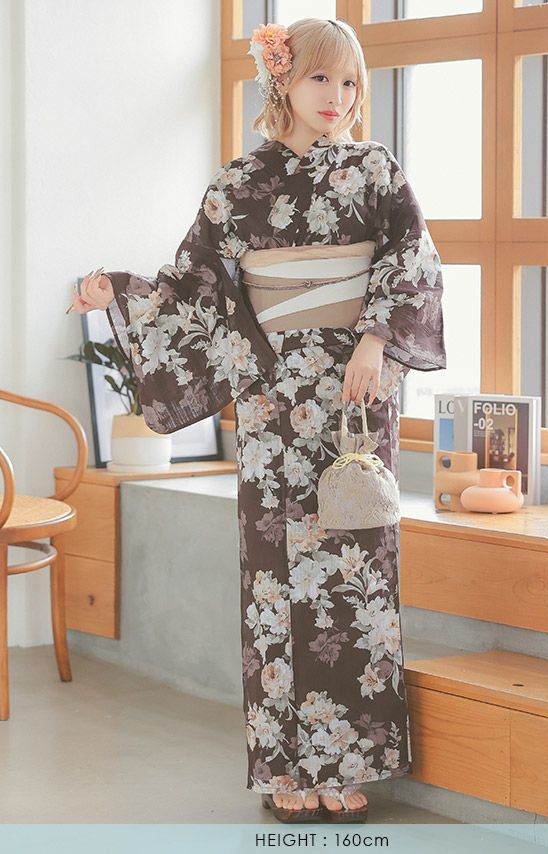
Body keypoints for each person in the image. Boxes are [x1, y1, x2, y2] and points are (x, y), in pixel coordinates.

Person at [68, 17, 446, 824]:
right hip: (274, 397)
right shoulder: (237, 184)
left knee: (357, 570)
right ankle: (285, 768)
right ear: (283, 81)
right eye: (320, 79)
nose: (338, 97)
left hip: (357, 396)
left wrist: (374, 339)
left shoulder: (376, 171)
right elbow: (194, 288)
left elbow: (413, 260)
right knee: (277, 577)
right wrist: (120, 291)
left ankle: (348, 761)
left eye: (350, 82)